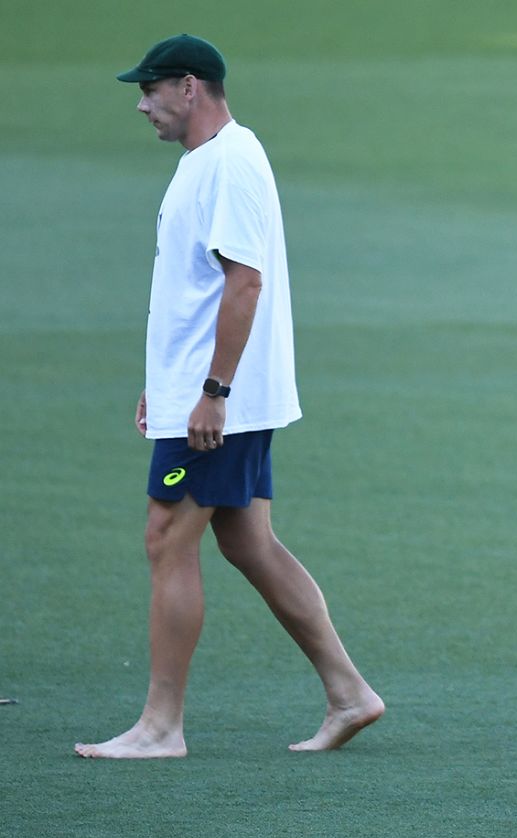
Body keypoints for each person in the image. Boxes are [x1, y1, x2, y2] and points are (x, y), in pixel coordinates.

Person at [75, 34, 383, 759]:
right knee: (248, 540)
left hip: (219, 403)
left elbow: (245, 282)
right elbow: (194, 289)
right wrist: (165, 385)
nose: (142, 106)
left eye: (150, 90)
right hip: (205, 393)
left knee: (166, 537)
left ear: (190, 87)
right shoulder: (204, 162)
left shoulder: (232, 163)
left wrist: (211, 393)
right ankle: (349, 691)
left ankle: (160, 727)